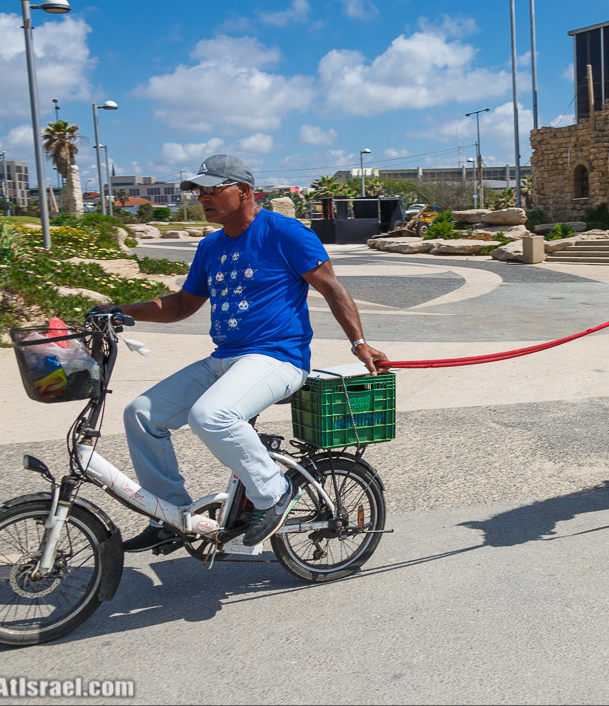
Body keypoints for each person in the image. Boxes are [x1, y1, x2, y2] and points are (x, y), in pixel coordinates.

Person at [99, 154, 390, 552]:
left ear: (245, 191)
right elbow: (184, 304)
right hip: (226, 358)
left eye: (213, 188)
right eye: (199, 190)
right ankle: (170, 515)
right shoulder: (210, 246)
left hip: (278, 358)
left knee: (211, 415)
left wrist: (359, 343)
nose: (203, 197)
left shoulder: (284, 232)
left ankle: (274, 493)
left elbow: (332, 288)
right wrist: (120, 312)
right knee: (141, 414)